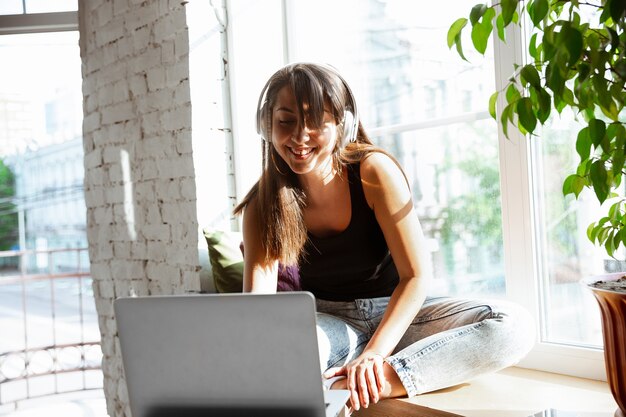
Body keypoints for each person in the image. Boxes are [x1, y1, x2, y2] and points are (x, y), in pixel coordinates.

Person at [234, 62, 535, 412]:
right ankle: (354, 375)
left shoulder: (373, 171)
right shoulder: (262, 204)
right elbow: (256, 311)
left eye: (315, 121)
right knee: (277, 353)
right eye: (285, 121)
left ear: (342, 125)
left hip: (399, 313)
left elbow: (416, 276)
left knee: (513, 327)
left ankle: (373, 381)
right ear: (266, 126)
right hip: (328, 322)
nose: (300, 136)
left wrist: (376, 354)